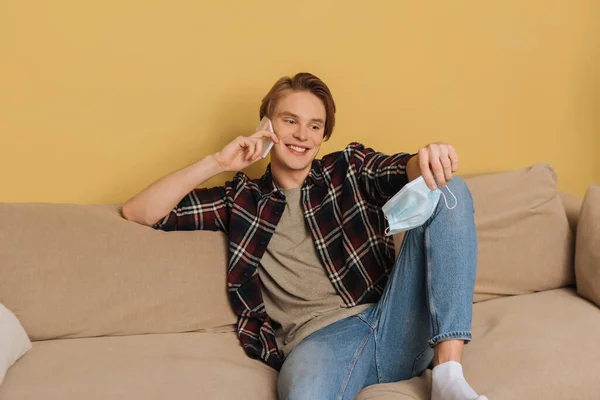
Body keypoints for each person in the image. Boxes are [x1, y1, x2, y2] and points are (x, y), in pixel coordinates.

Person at [122, 72, 486, 400]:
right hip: (318, 346)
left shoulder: (348, 169)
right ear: (268, 126)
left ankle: (448, 375)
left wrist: (426, 158)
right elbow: (139, 212)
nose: (301, 135)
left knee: (448, 188)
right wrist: (218, 162)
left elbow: (399, 169)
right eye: (290, 121)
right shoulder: (242, 200)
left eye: (314, 126)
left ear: (324, 135)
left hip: (395, 323)